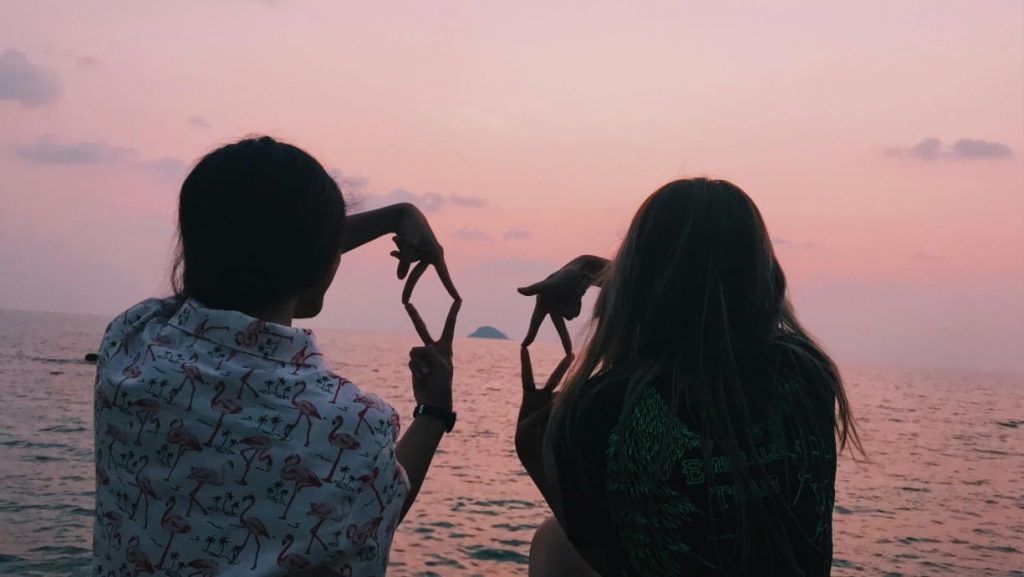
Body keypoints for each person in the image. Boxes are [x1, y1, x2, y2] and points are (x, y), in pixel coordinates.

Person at [92, 136, 460, 576]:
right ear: (320, 258)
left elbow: (248, 241)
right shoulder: (352, 423)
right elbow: (373, 516)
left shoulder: (129, 341)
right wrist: (435, 410)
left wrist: (394, 217)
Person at [515, 178, 862, 576]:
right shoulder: (808, 374)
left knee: (552, 543)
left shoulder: (605, 407)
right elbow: (714, 296)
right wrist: (589, 269)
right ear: (765, 274)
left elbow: (609, 557)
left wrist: (538, 455)